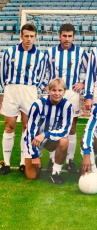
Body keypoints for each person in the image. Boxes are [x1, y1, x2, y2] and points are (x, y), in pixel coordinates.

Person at [0, 23, 45, 175]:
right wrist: (7, 88)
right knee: (9, 126)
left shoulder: (40, 55)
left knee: (27, 127)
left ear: (35, 37)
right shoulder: (9, 52)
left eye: (32, 36)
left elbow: (41, 74)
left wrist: (33, 88)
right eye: (26, 36)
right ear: (21, 36)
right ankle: (5, 162)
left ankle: (21, 162)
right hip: (12, 90)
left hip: (29, 91)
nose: (28, 39)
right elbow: (2, 73)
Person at [43, 23, 89, 173]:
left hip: (71, 93)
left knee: (72, 127)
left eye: (70, 36)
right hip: (55, 92)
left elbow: (91, 71)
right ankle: (52, 159)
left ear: (73, 37)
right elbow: (41, 70)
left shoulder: (81, 52)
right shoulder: (50, 52)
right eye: (64, 36)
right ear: (59, 36)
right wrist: (45, 85)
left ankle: (69, 160)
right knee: (52, 125)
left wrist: (83, 83)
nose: (67, 39)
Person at [24, 78, 72, 184]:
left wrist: (45, 134)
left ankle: (55, 173)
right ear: (49, 91)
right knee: (31, 176)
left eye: (60, 90)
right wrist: (35, 156)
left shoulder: (67, 106)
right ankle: (34, 161)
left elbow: (65, 130)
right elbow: (29, 131)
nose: (57, 93)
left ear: (64, 91)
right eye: (54, 90)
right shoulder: (37, 105)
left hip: (49, 139)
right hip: (34, 140)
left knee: (64, 141)